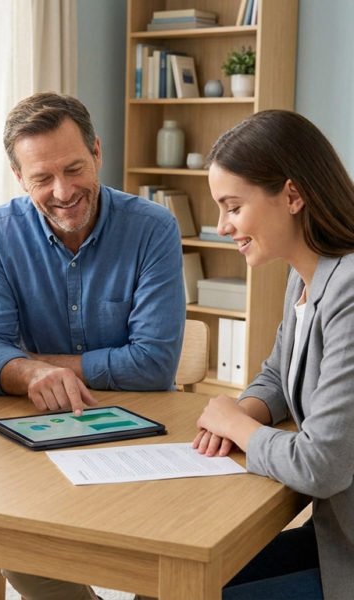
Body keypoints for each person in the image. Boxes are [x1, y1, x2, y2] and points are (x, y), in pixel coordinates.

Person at [0, 92, 185, 600]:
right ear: (20, 179)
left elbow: (153, 364)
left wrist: (33, 365)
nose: (63, 191)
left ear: (97, 153)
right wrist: (32, 375)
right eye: (42, 178)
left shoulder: (153, 227)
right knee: (16, 543)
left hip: (145, 433)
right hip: (38, 431)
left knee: (170, 556)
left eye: (74, 168)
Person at [193, 109, 354, 600]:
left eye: (233, 206)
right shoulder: (304, 275)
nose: (222, 226)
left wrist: (238, 426)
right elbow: (279, 373)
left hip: (347, 559)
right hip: (334, 537)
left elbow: (320, 466)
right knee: (172, 581)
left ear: (291, 195)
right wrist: (243, 410)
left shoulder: (349, 291)